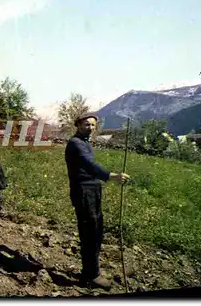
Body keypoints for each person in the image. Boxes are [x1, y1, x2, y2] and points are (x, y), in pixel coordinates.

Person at [64, 113, 130, 290]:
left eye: (93, 125)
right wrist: (111, 176)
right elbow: (88, 165)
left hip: (92, 190)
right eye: (86, 124)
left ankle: (91, 271)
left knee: (96, 231)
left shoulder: (84, 142)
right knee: (90, 233)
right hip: (84, 192)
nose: (90, 128)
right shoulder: (76, 143)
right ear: (77, 125)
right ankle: (91, 276)